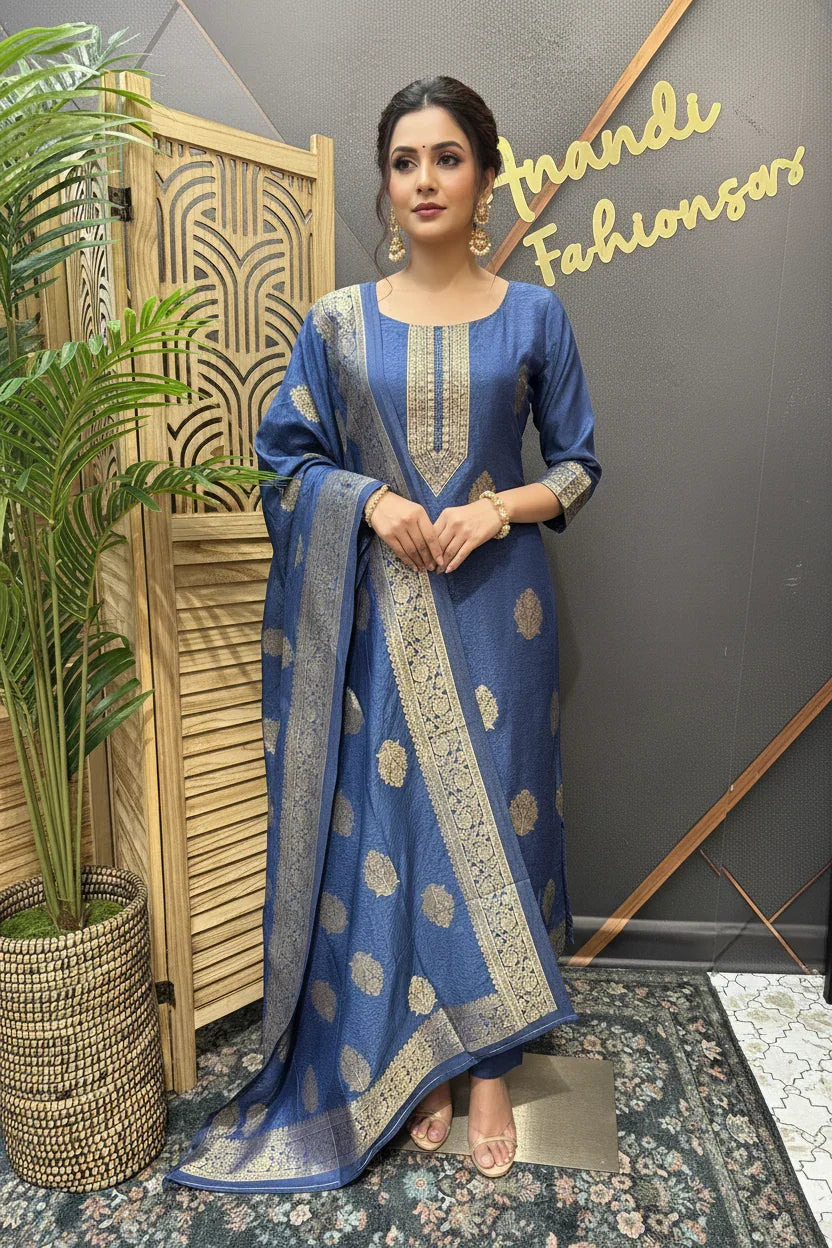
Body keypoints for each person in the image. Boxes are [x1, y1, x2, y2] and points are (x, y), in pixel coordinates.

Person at [163, 73, 601, 1195]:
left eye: (446, 157)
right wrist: (370, 502)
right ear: (384, 182)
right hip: (379, 623)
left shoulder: (535, 313)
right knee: (398, 832)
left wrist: (496, 505)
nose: (423, 180)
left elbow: (580, 466)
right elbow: (286, 461)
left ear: (486, 176)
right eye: (404, 161)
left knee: (502, 822)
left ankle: (491, 1064)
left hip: (502, 617)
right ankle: (427, 1064)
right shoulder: (337, 324)